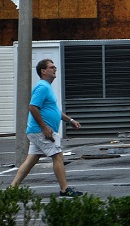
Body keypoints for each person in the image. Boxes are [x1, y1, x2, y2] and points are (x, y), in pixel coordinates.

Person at [9, 59, 84, 197]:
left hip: (38, 130)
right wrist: (44, 127)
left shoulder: (47, 87)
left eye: (54, 67)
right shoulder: (42, 87)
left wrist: (70, 120)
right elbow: (32, 106)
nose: (55, 69)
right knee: (58, 156)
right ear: (43, 71)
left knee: (32, 159)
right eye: (51, 67)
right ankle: (64, 189)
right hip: (40, 131)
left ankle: (12, 189)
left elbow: (54, 110)